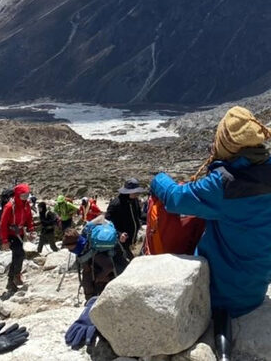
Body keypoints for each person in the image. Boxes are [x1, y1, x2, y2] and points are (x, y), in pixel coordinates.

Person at [151, 106, 271, 320]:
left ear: (226, 143)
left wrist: (158, 179)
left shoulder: (223, 185)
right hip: (255, 289)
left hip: (221, 295)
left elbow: (174, 198)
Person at [62, 227, 129, 302]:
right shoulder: (84, 247)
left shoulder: (92, 250)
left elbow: (109, 267)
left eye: (69, 248)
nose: (70, 250)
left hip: (109, 278)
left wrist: (99, 278)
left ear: (74, 243)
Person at [0, 183, 35, 292]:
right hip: (11, 234)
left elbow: (29, 217)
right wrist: (4, 240)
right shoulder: (10, 206)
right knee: (18, 254)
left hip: (19, 233)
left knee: (19, 255)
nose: (25, 197)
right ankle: (13, 278)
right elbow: (3, 224)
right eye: (23, 195)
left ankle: (14, 277)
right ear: (18, 195)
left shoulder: (26, 204)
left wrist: (31, 229)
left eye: (26, 195)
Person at [105, 178, 144, 259]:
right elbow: (107, 222)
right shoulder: (116, 204)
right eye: (135, 192)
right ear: (128, 192)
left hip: (133, 240)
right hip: (121, 241)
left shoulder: (134, 201)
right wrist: (119, 234)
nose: (138, 194)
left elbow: (139, 215)